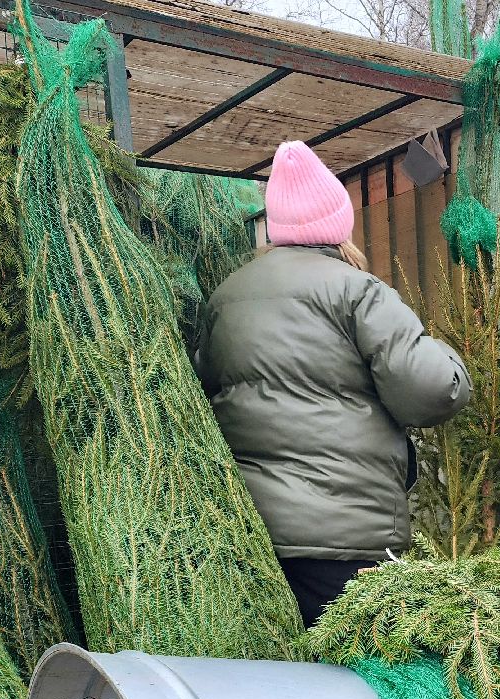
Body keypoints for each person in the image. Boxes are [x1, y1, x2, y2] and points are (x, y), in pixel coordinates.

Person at [199, 142, 472, 626]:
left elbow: (206, 391)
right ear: (337, 223)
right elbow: (431, 390)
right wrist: (449, 355)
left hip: (253, 536)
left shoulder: (224, 298)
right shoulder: (356, 291)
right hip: (348, 541)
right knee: (358, 679)